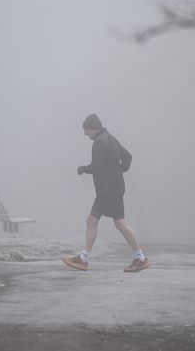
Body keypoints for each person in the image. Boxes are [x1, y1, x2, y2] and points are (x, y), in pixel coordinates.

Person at [62, 114, 150, 272]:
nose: (85, 134)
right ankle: (140, 257)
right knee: (109, 223)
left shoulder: (100, 142)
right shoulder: (110, 138)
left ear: (93, 128)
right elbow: (128, 157)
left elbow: (97, 165)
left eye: (86, 130)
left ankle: (84, 259)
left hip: (107, 190)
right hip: (112, 188)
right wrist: (118, 171)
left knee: (100, 222)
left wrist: (83, 169)